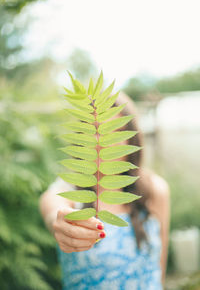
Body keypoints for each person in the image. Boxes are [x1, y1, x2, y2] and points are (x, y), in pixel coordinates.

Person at [39, 91, 170, 290]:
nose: (102, 141)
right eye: (94, 130)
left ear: (130, 138)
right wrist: (63, 224)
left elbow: (159, 269)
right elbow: (53, 211)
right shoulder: (68, 190)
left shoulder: (154, 189)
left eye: (114, 130)